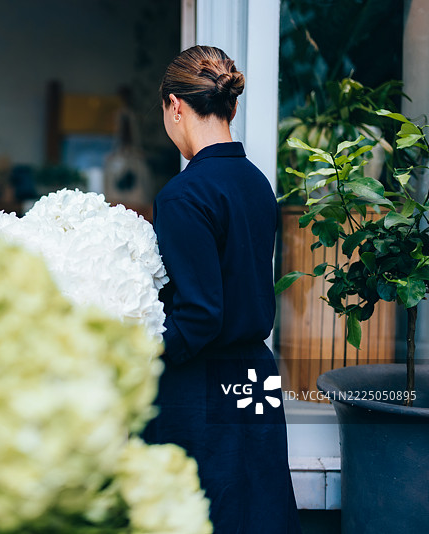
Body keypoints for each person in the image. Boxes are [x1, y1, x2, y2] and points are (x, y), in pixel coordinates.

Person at [143, 46, 301, 533]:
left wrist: (132, 354)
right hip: (255, 372)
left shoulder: (183, 194)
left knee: (202, 516)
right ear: (231, 106)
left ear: (174, 106)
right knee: (259, 512)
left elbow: (199, 316)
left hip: (201, 382)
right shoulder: (257, 183)